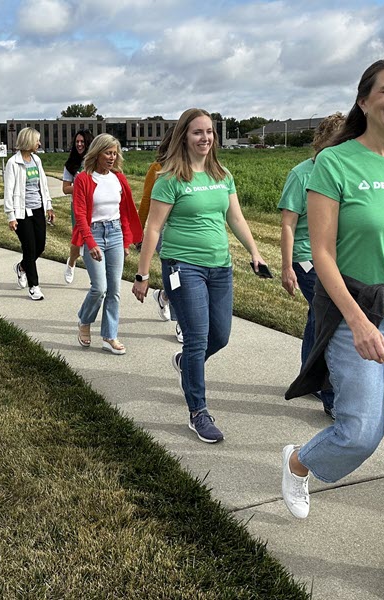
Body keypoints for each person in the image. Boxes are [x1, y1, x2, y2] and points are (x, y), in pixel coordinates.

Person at [280, 58, 384, 600]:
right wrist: (357, 321)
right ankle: (298, 461)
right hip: (353, 311)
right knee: (360, 431)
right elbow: (323, 256)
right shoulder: (333, 164)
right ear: (364, 100)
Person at [131, 108, 267, 443]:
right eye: (197, 132)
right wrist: (142, 273)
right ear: (184, 136)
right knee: (197, 337)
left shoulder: (222, 174)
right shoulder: (170, 178)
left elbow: (235, 218)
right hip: (182, 266)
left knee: (219, 336)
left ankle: (186, 363)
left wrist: (254, 251)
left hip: (219, 267)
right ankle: (198, 412)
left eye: (209, 132)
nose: (205, 138)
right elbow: (153, 228)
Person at [278, 113, 345, 419]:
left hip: (334, 257)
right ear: (323, 141)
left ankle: (309, 378)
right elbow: (288, 224)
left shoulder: (344, 171)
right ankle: (332, 398)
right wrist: (287, 266)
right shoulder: (301, 174)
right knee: (331, 321)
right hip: (306, 258)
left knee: (317, 319)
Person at [72, 134, 142, 354]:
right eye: (108, 153)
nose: (112, 157)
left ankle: (109, 336)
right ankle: (84, 320)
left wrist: (126, 242)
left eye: (115, 153)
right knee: (99, 288)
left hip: (115, 234)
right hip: (93, 233)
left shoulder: (118, 179)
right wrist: (90, 242)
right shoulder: (84, 178)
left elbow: (124, 212)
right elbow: (80, 214)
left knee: (114, 290)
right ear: (97, 153)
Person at [138, 127, 182, 342]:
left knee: (182, 277)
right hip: (163, 230)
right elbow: (146, 200)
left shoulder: (195, 168)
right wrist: (137, 231)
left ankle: (164, 296)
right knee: (178, 275)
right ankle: (183, 322)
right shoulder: (158, 169)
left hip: (185, 230)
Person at [4, 127, 55, 301]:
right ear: (28, 141)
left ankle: (22, 267)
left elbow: (43, 185)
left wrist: (48, 206)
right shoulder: (13, 163)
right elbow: (8, 191)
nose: (39, 144)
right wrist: (10, 215)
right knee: (29, 247)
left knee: (40, 246)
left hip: (38, 209)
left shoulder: (36, 160)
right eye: (37, 140)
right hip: (21, 212)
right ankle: (34, 286)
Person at [62, 129, 94, 284]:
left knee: (93, 241)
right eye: (77, 142)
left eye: (82, 142)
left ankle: (95, 278)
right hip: (78, 207)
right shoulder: (70, 165)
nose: (79, 144)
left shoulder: (96, 162)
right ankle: (72, 262)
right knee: (78, 242)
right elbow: (65, 188)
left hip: (95, 207)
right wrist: (81, 186)